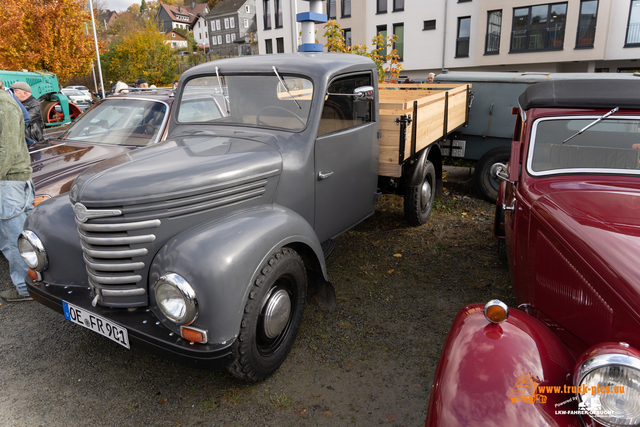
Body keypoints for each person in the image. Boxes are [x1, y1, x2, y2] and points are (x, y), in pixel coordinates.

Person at [0, 89, 35, 302]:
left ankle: (24, 288)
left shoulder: (3, 104)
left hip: (8, 182)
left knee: (14, 238)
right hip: (11, 179)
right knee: (21, 235)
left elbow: (6, 149)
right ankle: (32, 283)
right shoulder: (6, 101)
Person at [10, 82, 43, 147]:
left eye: (16, 91)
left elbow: (25, 120)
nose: (13, 94)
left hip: (32, 140)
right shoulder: (19, 103)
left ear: (24, 93)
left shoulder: (36, 105)